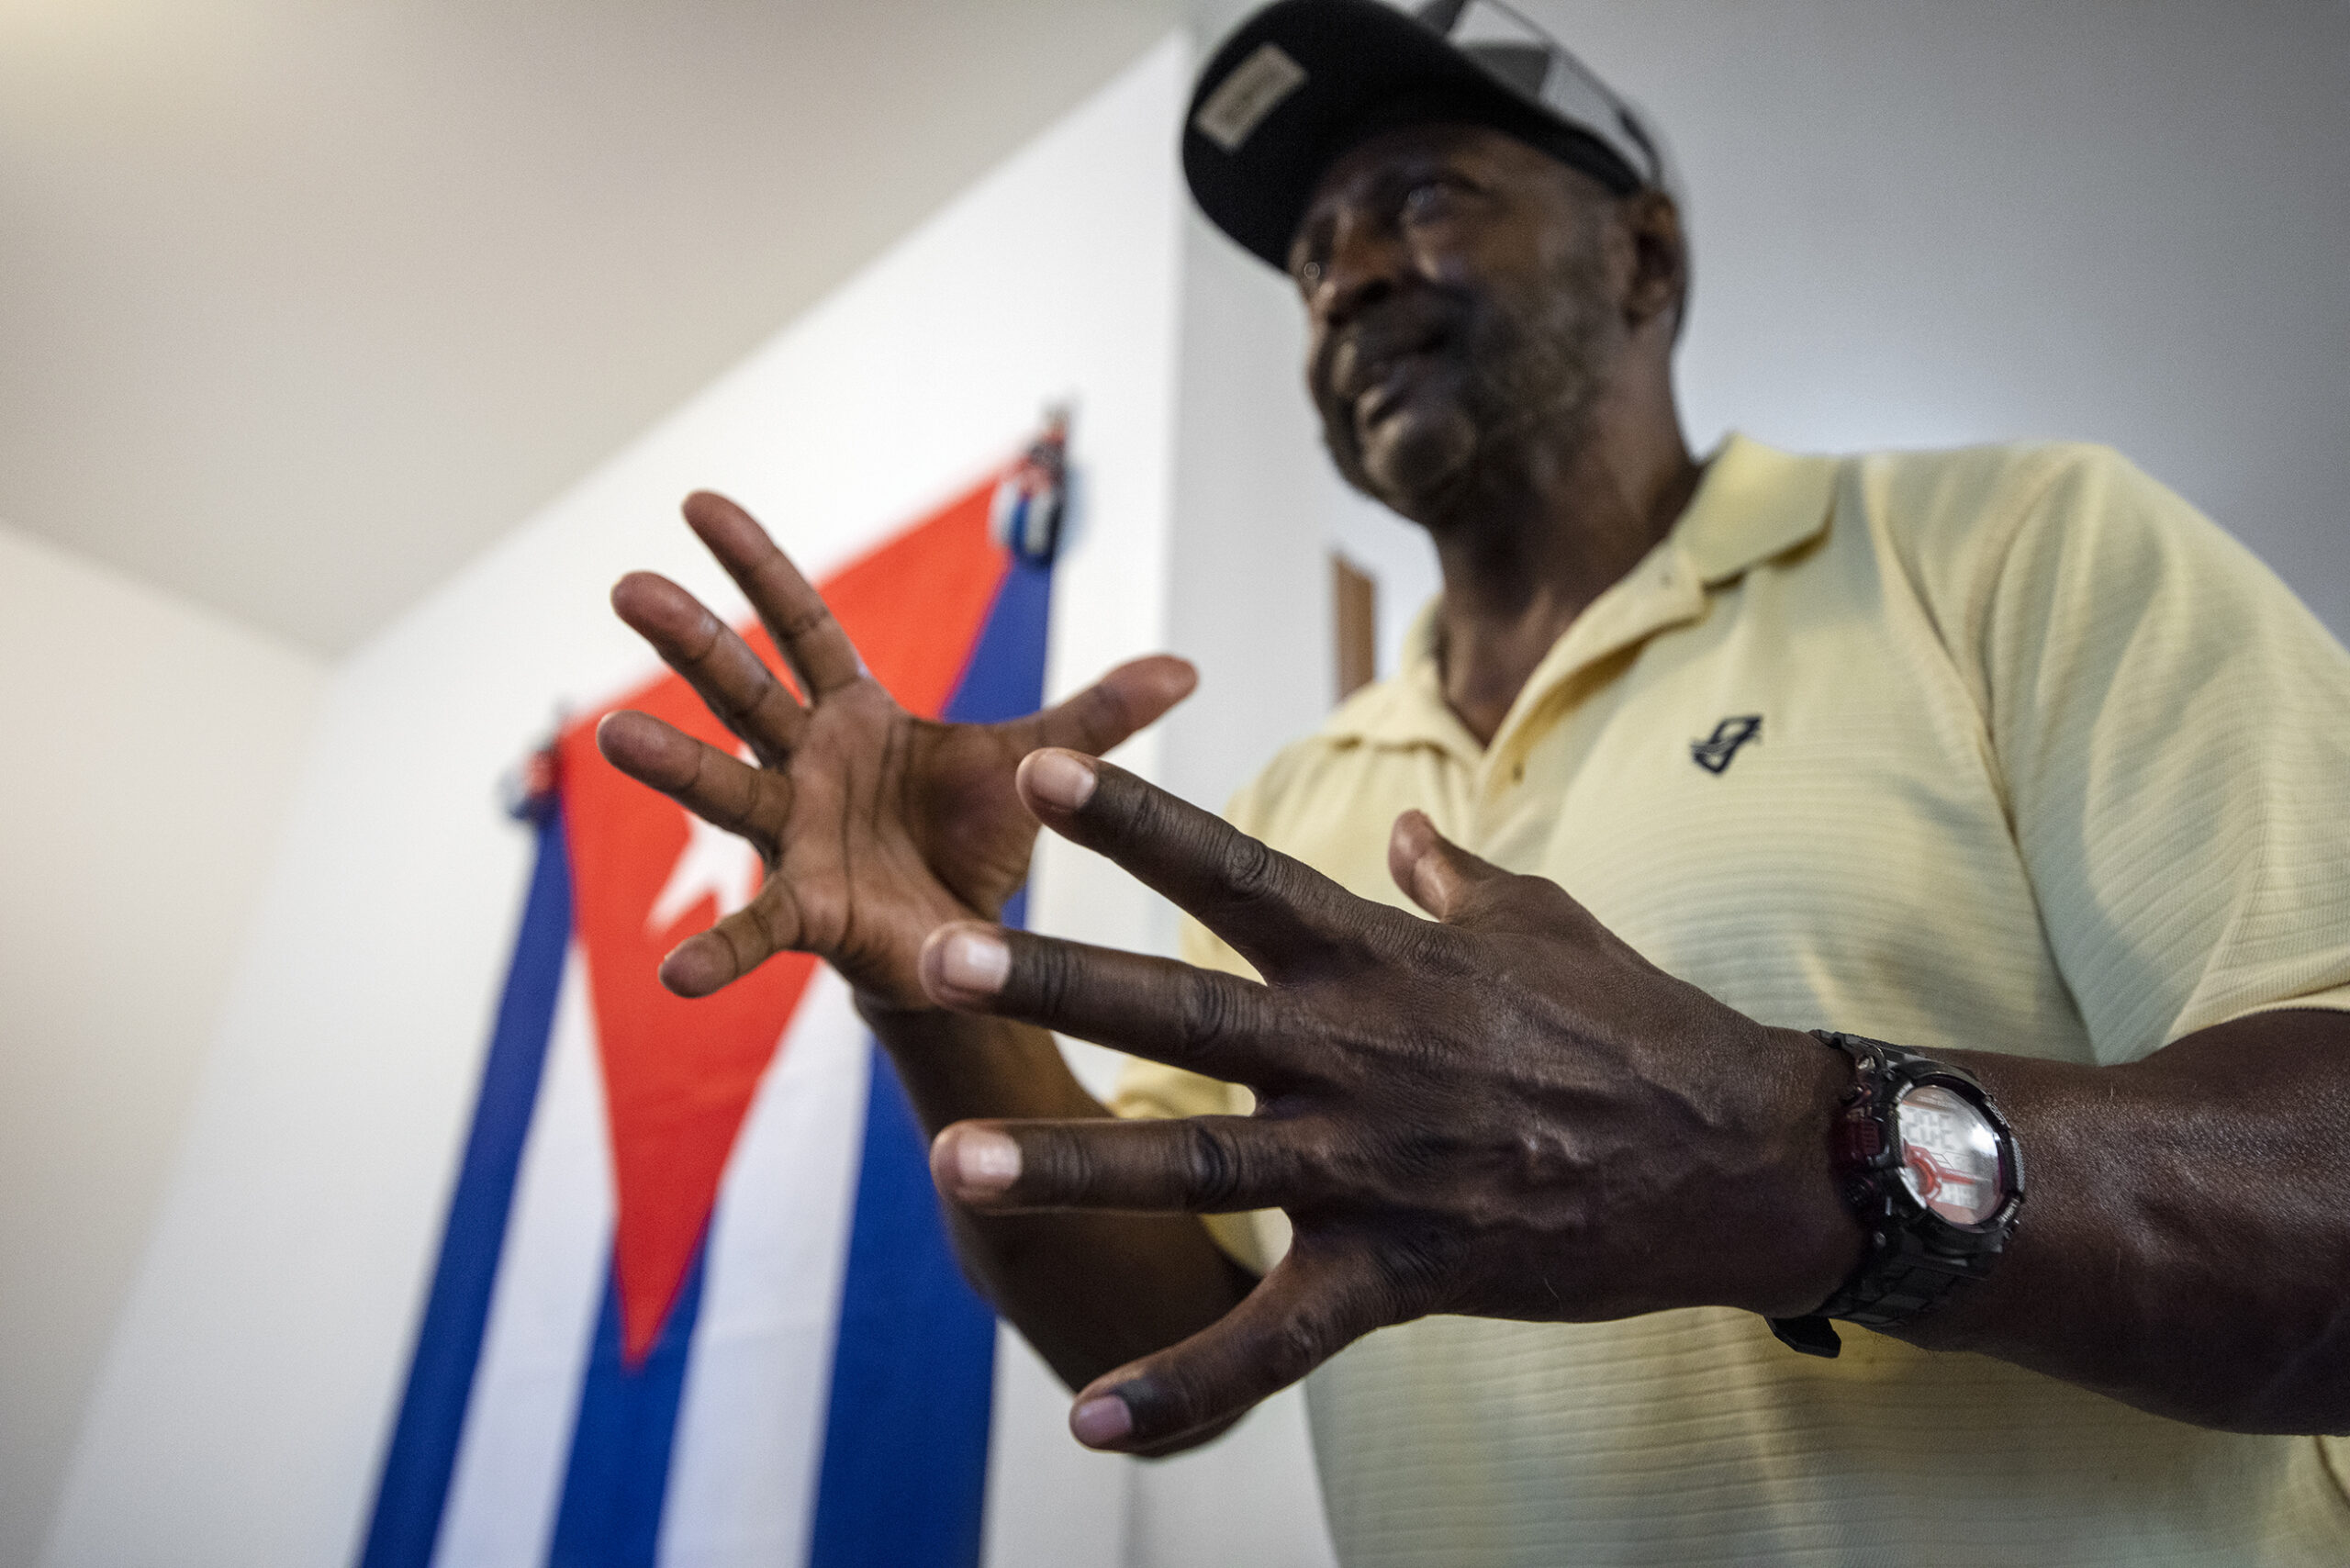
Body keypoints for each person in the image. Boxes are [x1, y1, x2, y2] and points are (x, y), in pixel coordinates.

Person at [594, 0, 2350, 1561]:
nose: (1349, 275)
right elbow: (1159, 1346)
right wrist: (931, 986)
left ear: (1643, 259)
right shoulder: (1300, 799)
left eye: (1425, 196)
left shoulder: (2000, 547)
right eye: (1313, 259)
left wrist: (1781, 1158)